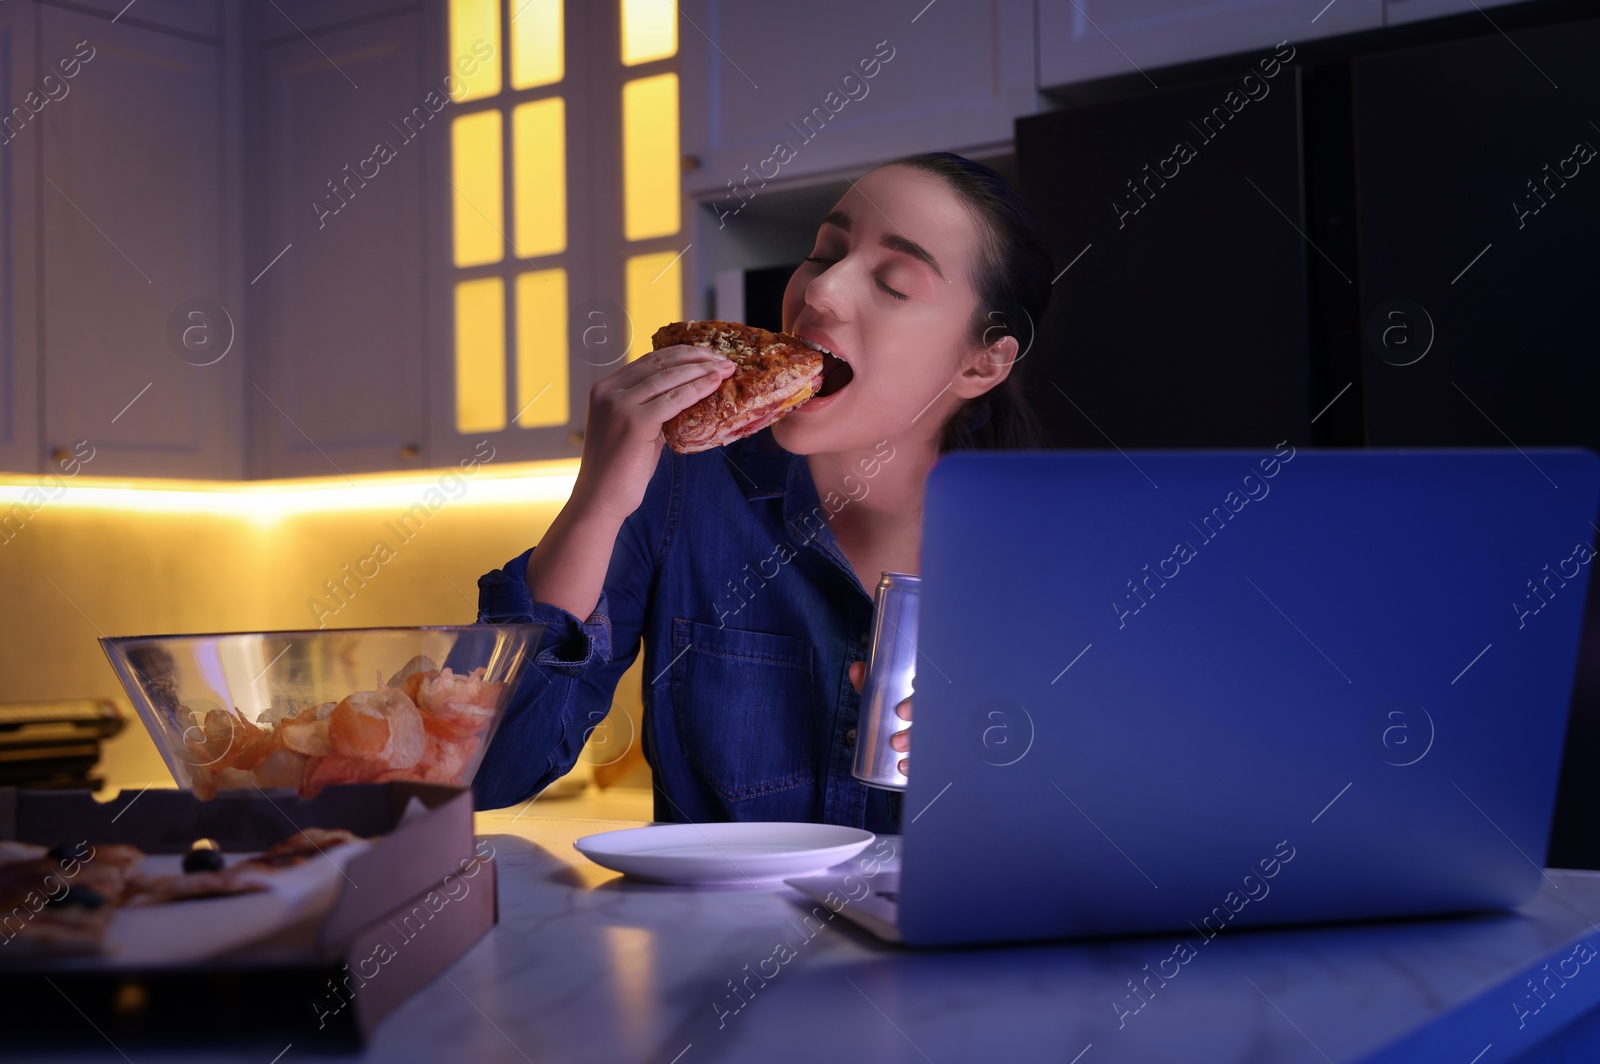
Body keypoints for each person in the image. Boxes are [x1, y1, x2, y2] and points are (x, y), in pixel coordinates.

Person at [474, 152, 1053, 832]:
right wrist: (598, 502)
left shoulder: (1060, 554)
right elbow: (493, 770)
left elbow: (1125, 841)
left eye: (894, 283)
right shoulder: (680, 486)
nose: (820, 291)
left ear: (982, 362)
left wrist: (1014, 768)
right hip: (716, 941)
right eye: (823, 253)